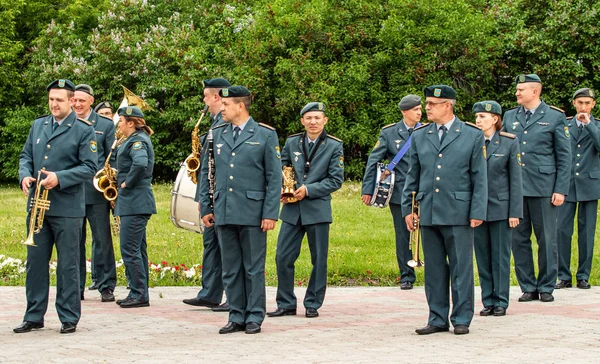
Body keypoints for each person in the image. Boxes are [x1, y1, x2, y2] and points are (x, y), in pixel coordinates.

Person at [402, 85, 487, 336]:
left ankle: (461, 317)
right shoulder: (420, 135)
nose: (426, 108)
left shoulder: (471, 135)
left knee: (461, 267)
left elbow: (479, 177)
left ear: (447, 105)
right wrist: (410, 207)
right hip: (428, 210)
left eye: (431, 104)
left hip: (459, 210)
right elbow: (413, 174)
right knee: (435, 268)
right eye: (426, 103)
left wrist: (477, 210)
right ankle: (437, 317)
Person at [14, 79, 97, 334]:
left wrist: (59, 178)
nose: (53, 104)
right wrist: (24, 175)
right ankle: (33, 315)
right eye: (51, 99)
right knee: (35, 263)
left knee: (67, 264)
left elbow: (89, 167)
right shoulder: (39, 125)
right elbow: (26, 156)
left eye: (59, 100)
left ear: (72, 101)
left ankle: (69, 316)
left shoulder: (83, 129)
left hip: (67, 207)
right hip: (38, 206)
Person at [199, 86, 281, 334]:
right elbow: (207, 172)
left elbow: (274, 178)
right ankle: (236, 314)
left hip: (253, 212)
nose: (221, 108)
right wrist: (206, 205)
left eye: (225, 105)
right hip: (223, 209)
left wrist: (269, 213)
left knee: (253, 267)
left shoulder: (265, 135)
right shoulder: (217, 133)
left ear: (240, 106)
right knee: (231, 267)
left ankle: (254, 315)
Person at [267, 102, 344, 319]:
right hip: (292, 209)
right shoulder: (292, 142)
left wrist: (309, 190)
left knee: (318, 259)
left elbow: (335, 180)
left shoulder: (333, 145)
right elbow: (282, 168)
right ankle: (285, 303)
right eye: (308, 118)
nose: (313, 122)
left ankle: (312, 303)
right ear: (302, 120)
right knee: (282, 257)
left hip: (317, 209)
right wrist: (285, 189)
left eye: (317, 118)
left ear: (325, 120)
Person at [502, 74, 571, 303]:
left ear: (535, 91)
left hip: (543, 187)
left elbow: (564, 156)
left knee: (546, 239)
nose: (517, 93)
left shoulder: (554, 117)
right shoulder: (510, 116)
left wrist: (560, 189)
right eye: (517, 89)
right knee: (518, 240)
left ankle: (546, 286)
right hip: (516, 189)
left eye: (521, 89)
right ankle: (528, 286)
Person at [361, 95, 422, 290]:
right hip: (400, 192)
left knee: (429, 232)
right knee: (403, 234)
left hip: (424, 190)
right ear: (404, 112)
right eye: (415, 110)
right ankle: (406, 275)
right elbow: (374, 160)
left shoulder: (427, 130)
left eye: (420, 109)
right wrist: (367, 189)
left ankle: (435, 272)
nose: (419, 112)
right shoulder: (389, 133)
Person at [184, 77, 231, 312]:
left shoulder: (226, 121)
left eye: (205, 96)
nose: (204, 100)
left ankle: (233, 297)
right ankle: (210, 293)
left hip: (222, 195)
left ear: (216, 97)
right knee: (211, 244)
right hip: (210, 195)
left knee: (227, 246)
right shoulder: (214, 122)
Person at [472, 101, 523, 317]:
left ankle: (501, 300)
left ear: (495, 119)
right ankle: (488, 301)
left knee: (500, 256)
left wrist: (515, 212)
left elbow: (516, 180)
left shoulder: (508, 143)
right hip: (478, 210)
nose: (478, 120)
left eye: (483, 116)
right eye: (476, 116)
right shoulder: (471, 142)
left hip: (501, 208)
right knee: (483, 257)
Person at [72, 84, 117, 302]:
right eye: (74, 100)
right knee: (73, 242)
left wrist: (110, 186)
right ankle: (76, 286)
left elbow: (112, 157)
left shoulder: (105, 125)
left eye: (82, 100)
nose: (77, 104)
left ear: (91, 101)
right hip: (70, 192)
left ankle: (106, 285)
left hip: (96, 192)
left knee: (102, 240)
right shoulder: (66, 122)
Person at [556, 88, 600, 290]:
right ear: (574, 103)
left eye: (588, 103)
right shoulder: (564, 125)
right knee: (562, 231)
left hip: (590, 185)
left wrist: (589, 125)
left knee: (587, 232)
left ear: (593, 105)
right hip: (567, 185)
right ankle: (563, 275)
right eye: (580, 102)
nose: (583, 107)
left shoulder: (597, 126)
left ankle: (583, 275)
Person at [113, 106, 157, 308]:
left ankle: (139, 294)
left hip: (135, 201)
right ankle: (138, 290)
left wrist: (126, 183)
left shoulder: (137, 141)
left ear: (131, 123)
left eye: (121, 120)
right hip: (135, 202)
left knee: (129, 249)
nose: (118, 124)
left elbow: (140, 164)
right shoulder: (133, 140)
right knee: (137, 248)